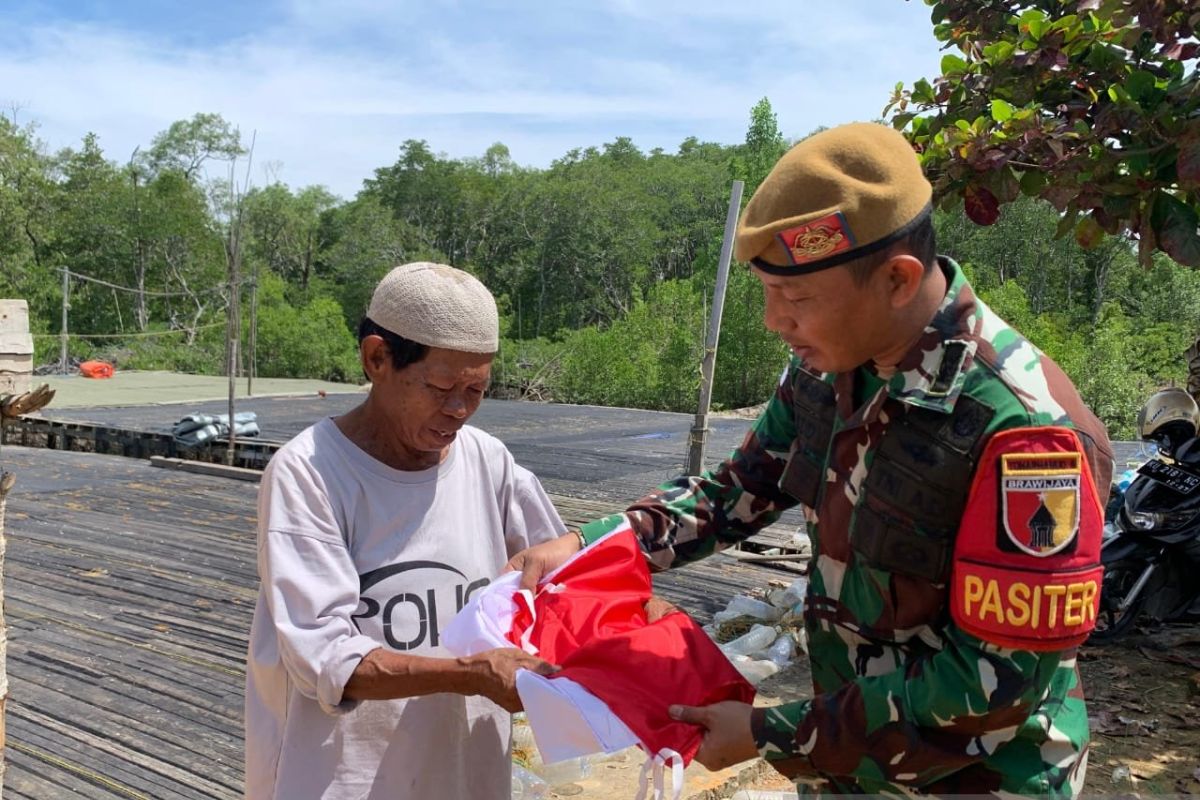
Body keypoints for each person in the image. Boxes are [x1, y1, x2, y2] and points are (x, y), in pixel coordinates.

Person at [506, 123, 1113, 798]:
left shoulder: (1023, 431)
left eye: (795, 299)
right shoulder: (828, 373)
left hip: (979, 780)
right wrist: (595, 546)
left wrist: (774, 735)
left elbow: (992, 691)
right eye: (767, 293)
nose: (773, 320)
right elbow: (732, 493)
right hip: (851, 764)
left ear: (897, 279)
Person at [244, 262, 573, 800]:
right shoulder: (310, 473)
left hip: (467, 774)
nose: (460, 409)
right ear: (377, 358)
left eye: (477, 388)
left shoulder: (488, 463)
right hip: (340, 780)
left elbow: (559, 575)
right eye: (441, 386)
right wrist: (470, 674)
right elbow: (327, 661)